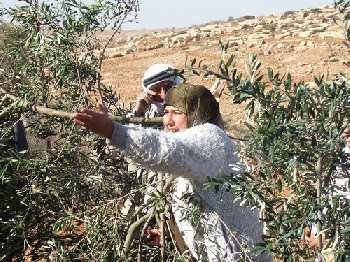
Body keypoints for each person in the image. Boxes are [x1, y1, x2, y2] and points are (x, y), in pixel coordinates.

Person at [73, 83, 271, 261]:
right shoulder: (198, 152)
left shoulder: (211, 139)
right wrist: (176, 234)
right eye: (166, 111)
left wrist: (113, 131)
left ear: (196, 113)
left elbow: (168, 151)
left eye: (177, 112)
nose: (168, 121)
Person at [305, 128, 350, 259]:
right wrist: (313, 226)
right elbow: (330, 193)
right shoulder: (342, 154)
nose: (345, 133)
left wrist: (328, 233)